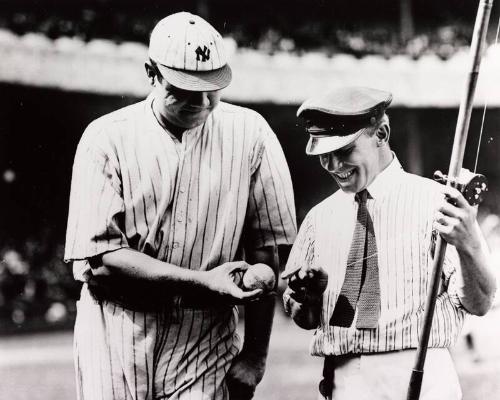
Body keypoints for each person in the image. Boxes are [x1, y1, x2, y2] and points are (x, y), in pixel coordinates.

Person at [64, 12, 296, 400]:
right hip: (115, 326)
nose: (203, 101)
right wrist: (204, 281)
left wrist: (255, 355)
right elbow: (102, 258)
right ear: (151, 73)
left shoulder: (251, 133)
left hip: (205, 331)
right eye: (186, 88)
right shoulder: (105, 138)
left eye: (212, 87)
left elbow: (266, 252)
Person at [281, 86, 497, 400]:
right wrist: (306, 301)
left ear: (381, 133)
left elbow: (479, 303)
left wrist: (470, 244)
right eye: (323, 155)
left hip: (420, 378)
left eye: (343, 151)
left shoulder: (438, 204)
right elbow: (306, 319)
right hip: (341, 381)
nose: (332, 165)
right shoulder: (318, 218)